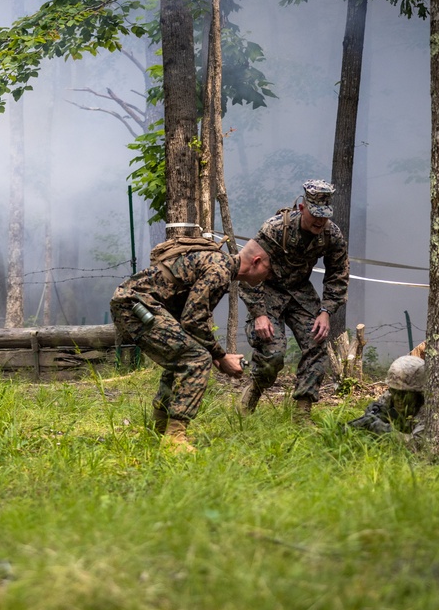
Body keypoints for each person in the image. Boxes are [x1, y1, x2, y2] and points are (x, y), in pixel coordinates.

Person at [110, 238, 273, 452]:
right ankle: (174, 438)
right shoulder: (221, 270)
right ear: (256, 261)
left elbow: (191, 322)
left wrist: (217, 354)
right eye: (267, 271)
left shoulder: (221, 266)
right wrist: (220, 356)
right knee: (196, 360)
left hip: (136, 302)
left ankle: (158, 430)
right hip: (135, 305)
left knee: (183, 358)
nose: (267, 278)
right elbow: (193, 319)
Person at [239, 179, 350, 416]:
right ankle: (254, 390)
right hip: (267, 289)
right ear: (302, 208)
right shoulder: (276, 228)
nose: (320, 221)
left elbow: (338, 275)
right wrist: (258, 314)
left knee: (316, 343)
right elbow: (247, 267)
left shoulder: (331, 234)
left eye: (325, 215)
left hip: (300, 291)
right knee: (273, 353)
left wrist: (326, 312)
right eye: (315, 214)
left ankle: (302, 412)